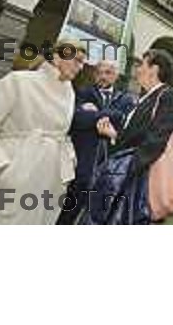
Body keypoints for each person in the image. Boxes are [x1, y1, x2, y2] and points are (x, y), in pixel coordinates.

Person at [0, 41, 86, 225]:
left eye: (83, 63)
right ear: (57, 56)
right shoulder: (18, 81)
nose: (80, 67)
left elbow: (61, 134)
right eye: (77, 60)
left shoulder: (70, 93)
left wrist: (68, 163)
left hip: (48, 183)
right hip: (8, 176)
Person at [96, 49, 173, 223]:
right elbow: (136, 137)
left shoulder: (167, 95)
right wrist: (114, 134)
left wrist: (125, 170)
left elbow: (156, 141)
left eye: (142, 64)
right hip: (129, 179)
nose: (138, 69)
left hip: (142, 184)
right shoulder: (146, 97)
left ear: (154, 69)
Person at [57, 60, 136, 225]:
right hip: (81, 164)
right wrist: (109, 116)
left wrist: (96, 114)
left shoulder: (126, 99)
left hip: (110, 167)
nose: (103, 76)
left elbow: (125, 124)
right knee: (68, 213)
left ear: (116, 75)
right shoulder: (81, 93)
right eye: (99, 72)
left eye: (108, 73)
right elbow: (76, 119)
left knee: (99, 215)